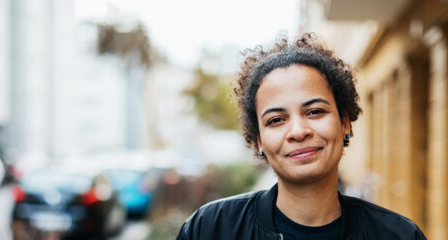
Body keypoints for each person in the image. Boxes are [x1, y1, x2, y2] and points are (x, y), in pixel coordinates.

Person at [176, 33, 427, 240]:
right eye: (276, 120)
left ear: (344, 123)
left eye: (315, 111)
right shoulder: (210, 230)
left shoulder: (400, 235)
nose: (298, 131)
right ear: (260, 140)